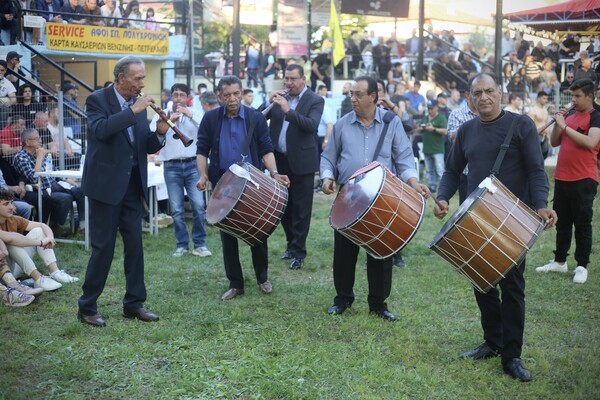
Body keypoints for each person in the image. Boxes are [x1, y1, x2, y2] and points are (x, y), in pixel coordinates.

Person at [433, 72, 557, 382]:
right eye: (478, 93)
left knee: (512, 288)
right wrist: (443, 197)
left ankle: (512, 355)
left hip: (512, 218)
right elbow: (451, 170)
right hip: (475, 218)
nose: (484, 97)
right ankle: (493, 342)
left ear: (499, 93)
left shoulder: (522, 125)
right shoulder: (466, 131)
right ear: (470, 99)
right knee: (482, 282)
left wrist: (541, 204)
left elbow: (536, 171)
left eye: (489, 91)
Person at [320, 76, 429, 322]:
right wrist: (327, 177)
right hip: (348, 197)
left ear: (373, 97)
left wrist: (413, 183)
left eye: (359, 94)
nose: (353, 99)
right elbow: (328, 157)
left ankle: (378, 304)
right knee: (344, 253)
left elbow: (404, 157)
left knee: (381, 251)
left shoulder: (392, 123)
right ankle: (343, 299)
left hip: (383, 198)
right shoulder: (342, 124)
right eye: (351, 94)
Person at [77, 56, 169, 327]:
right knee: (103, 248)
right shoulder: (97, 100)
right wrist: (133, 112)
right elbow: (100, 130)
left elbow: (143, 146)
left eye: (143, 77)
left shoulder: (137, 104)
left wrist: (160, 133)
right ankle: (87, 307)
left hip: (131, 186)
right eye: (138, 78)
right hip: (105, 186)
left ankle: (133, 304)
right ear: (121, 79)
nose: (143, 83)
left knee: (135, 246)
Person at [196, 75, 289, 301]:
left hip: (252, 183)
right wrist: (202, 175)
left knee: (258, 230)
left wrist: (275, 173)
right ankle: (235, 283)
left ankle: (262, 277)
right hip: (222, 184)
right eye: (227, 95)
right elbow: (202, 150)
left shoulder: (255, 117)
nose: (233, 98)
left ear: (242, 93)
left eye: (236, 93)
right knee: (228, 236)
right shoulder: (210, 119)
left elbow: (266, 149)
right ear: (219, 96)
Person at [536, 79, 600, 284]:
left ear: (589, 96)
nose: (573, 100)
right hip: (563, 176)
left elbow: (591, 143)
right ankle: (560, 261)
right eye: (572, 96)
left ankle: (581, 265)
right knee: (561, 222)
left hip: (585, 177)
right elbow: (555, 142)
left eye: (577, 96)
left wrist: (564, 127)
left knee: (582, 223)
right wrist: (558, 123)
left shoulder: (596, 117)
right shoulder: (570, 116)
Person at [265, 64, 324, 270]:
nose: (289, 83)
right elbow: (258, 117)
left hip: (303, 163)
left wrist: (287, 110)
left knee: (301, 209)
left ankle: (299, 252)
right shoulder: (279, 99)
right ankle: (291, 245)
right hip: (279, 161)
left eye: (293, 79)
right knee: (283, 208)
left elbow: (311, 125)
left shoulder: (315, 100)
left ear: (303, 79)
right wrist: (269, 101)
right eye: (286, 79)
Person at [149, 84, 211, 259]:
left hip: (193, 165)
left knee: (198, 206)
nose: (178, 98)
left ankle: (200, 244)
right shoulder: (161, 114)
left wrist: (190, 116)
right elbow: (152, 134)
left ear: (187, 98)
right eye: (175, 95)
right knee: (176, 209)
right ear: (171, 96)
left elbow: (207, 127)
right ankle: (182, 245)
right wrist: (169, 123)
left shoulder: (196, 112)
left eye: (181, 95)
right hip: (171, 166)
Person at [0, 188, 79, 292]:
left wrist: (50, 238)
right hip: (3, 273)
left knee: (38, 231)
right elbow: (12, 238)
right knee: (12, 243)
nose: (11, 207)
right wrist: (41, 243)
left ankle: (55, 272)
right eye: (6, 204)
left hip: (13, 269)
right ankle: (38, 279)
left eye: (11, 202)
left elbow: (42, 225)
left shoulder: (12, 219)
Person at [13, 127, 84, 228]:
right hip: (41, 190)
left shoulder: (40, 153)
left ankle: (83, 225)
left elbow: (53, 171)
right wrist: (40, 157)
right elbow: (35, 178)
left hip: (55, 185)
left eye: (39, 137)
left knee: (79, 191)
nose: (40, 140)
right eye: (37, 138)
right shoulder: (21, 157)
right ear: (28, 142)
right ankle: (55, 226)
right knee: (66, 198)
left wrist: (68, 180)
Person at [527, 91, 550, 159]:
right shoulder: (533, 110)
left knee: (544, 156)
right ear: (539, 99)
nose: (546, 100)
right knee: (535, 157)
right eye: (544, 98)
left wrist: (549, 138)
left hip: (545, 136)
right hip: (536, 136)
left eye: (546, 99)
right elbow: (529, 125)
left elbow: (547, 124)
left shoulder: (545, 110)